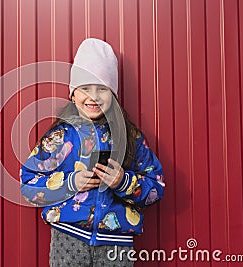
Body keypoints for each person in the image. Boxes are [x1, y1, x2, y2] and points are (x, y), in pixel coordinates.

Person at [20, 38, 165, 267]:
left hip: (117, 243)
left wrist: (124, 182)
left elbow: (157, 188)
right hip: (67, 238)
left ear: (113, 94)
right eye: (85, 88)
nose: (93, 96)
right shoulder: (59, 138)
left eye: (102, 88)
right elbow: (28, 184)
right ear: (73, 94)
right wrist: (69, 183)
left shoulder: (131, 138)